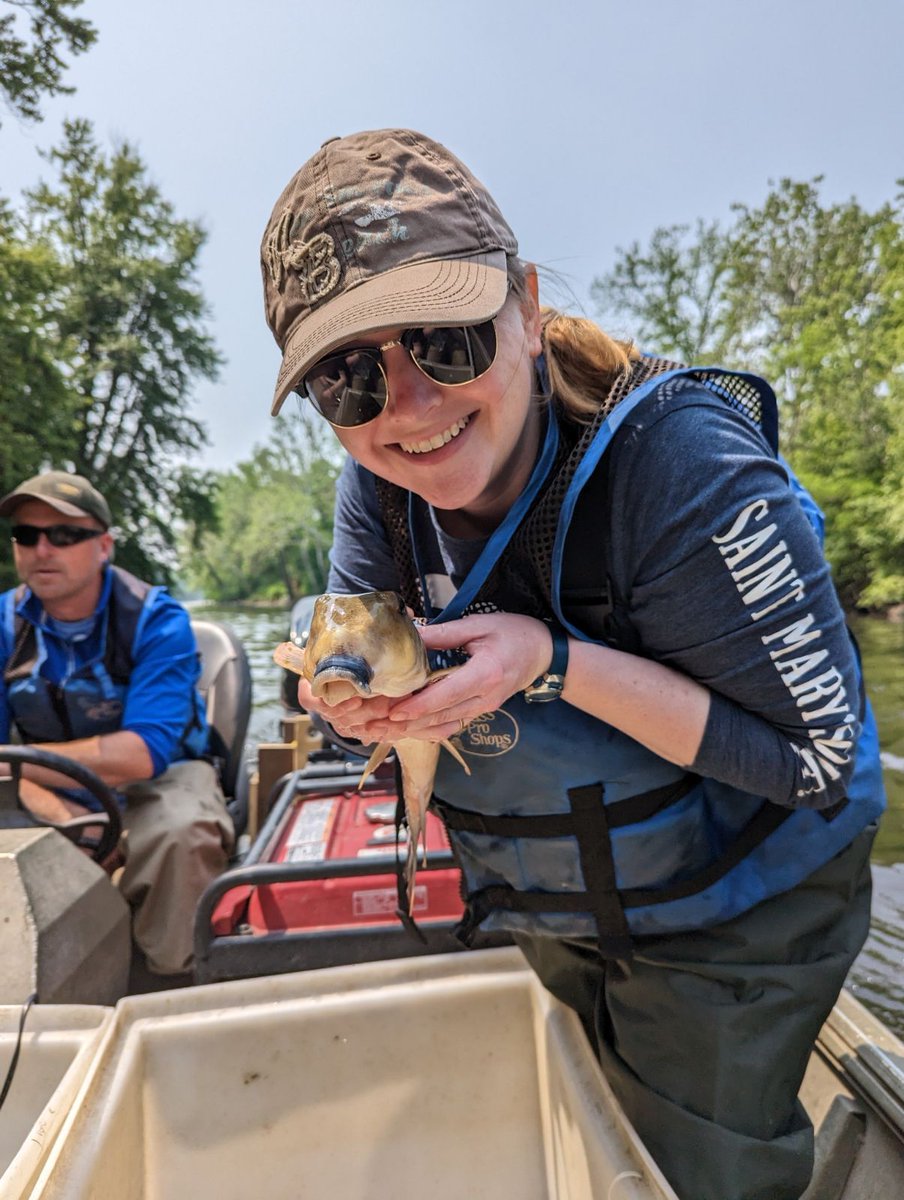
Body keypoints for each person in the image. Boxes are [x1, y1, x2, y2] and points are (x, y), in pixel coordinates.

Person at [259, 129, 885, 1200]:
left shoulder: (683, 469)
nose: (405, 408)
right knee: (582, 1123)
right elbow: (353, 650)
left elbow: (816, 761)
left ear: (527, 305)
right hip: (560, 884)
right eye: (348, 378)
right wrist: (346, 702)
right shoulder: (379, 484)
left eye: (446, 339)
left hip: (745, 893)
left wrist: (549, 662)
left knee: (688, 1174)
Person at [0, 470, 234, 980]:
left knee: (180, 833)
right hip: (42, 785)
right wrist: (68, 817)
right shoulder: (2, 626)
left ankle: (174, 979)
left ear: (103, 545)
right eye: (26, 535)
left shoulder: (157, 620)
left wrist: (25, 771)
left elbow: (140, 754)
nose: (43, 549)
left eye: (64, 535)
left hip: (163, 776)